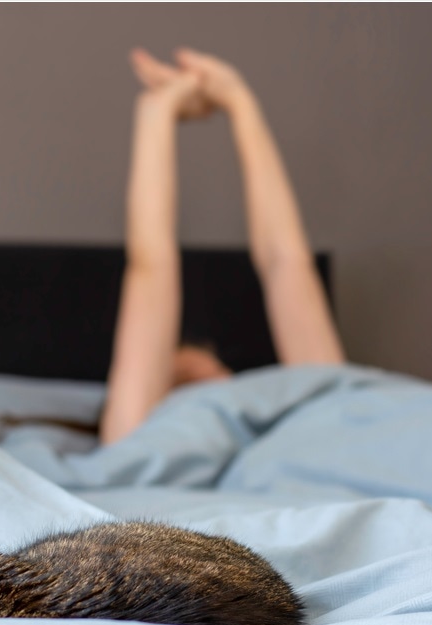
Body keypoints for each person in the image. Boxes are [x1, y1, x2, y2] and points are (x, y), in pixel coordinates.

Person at [99, 47, 345, 446]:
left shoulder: (315, 426)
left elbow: (286, 263)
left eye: (213, 371)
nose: (202, 374)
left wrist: (240, 102)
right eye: (177, 375)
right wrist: (157, 112)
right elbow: (151, 265)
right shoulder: (135, 443)